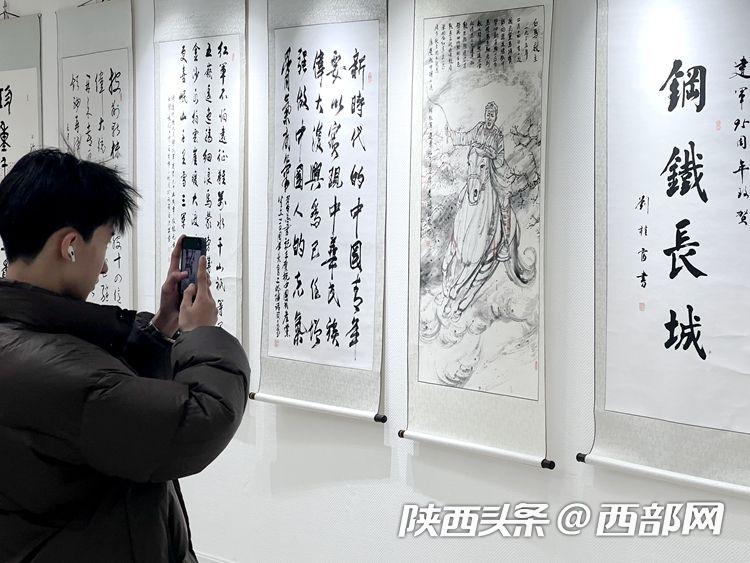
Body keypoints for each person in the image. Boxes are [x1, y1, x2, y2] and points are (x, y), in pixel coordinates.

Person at [0, 149, 250, 562]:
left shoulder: (24, 336)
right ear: (70, 246)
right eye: (105, 244)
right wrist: (202, 333)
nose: (103, 268)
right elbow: (201, 419)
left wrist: (161, 328)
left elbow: (104, 408)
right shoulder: (57, 373)